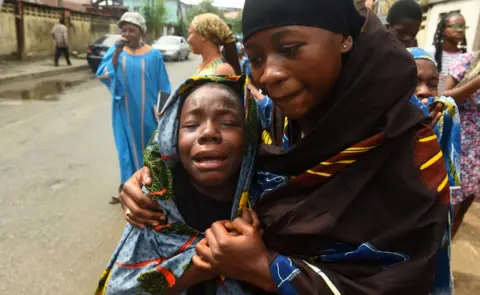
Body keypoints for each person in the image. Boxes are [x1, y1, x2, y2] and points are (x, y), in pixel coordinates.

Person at [118, 1, 450, 294]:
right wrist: (150, 180)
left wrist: (264, 268)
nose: (268, 75)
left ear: (345, 38)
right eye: (257, 58)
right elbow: (201, 149)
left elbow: (403, 279)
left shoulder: (408, 148)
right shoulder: (270, 119)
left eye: (289, 48)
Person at [95, 75, 262, 294]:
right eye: (191, 124)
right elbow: (121, 290)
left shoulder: (267, 200)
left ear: (250, 135)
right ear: (171, 139)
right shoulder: (154, 205)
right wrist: (202, 266)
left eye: (228, 122)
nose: (209, 132)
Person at [96, 12, 171, 204]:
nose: (127, 34)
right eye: (124, 30)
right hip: (123, 111)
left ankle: (151, 189)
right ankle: (127, 189)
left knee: (149, 150)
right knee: (125, 150)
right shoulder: (116, 51)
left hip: (148, 113)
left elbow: (164, 85)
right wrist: (115, 56)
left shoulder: (154, 55)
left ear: (141, 32)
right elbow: (103, 73)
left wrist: (163, 112)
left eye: (132, 30)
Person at [408, 47, 462, 295]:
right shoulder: (369, 131)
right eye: (413, 82)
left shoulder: (441, 122)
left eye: (433, 84)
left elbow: (448, 190)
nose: (425, 92)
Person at [443, 51, 479, 238]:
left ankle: (444, 255)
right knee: (449, 204)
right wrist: (476, 82)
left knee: (465, 205)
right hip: (464, 142)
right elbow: (446, 97)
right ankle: (431, 256)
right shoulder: (469, 61)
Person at [426, 12, 468, 93]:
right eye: (455, 26)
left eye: (463, 27)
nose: (460, 30)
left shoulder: (465, 58)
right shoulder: (429, 53)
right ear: (443, 30)